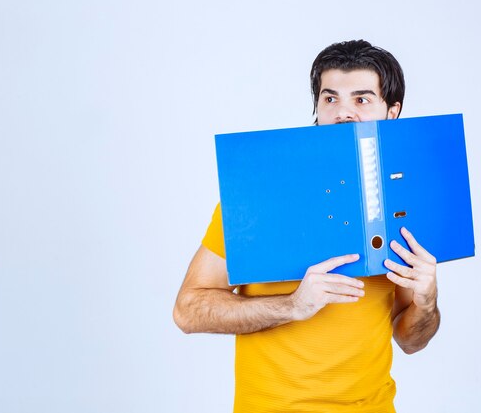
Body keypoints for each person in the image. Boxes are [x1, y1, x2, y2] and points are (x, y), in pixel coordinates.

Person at [173, 40, 440, 413]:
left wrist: (427, 301)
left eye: (361, 100)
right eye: (330, 99)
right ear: (316, 107)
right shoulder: (257, 192)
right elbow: (188, 310)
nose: (343, 113)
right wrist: (292, 306)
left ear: (391, 112)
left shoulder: (406, 203)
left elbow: (410, 340)